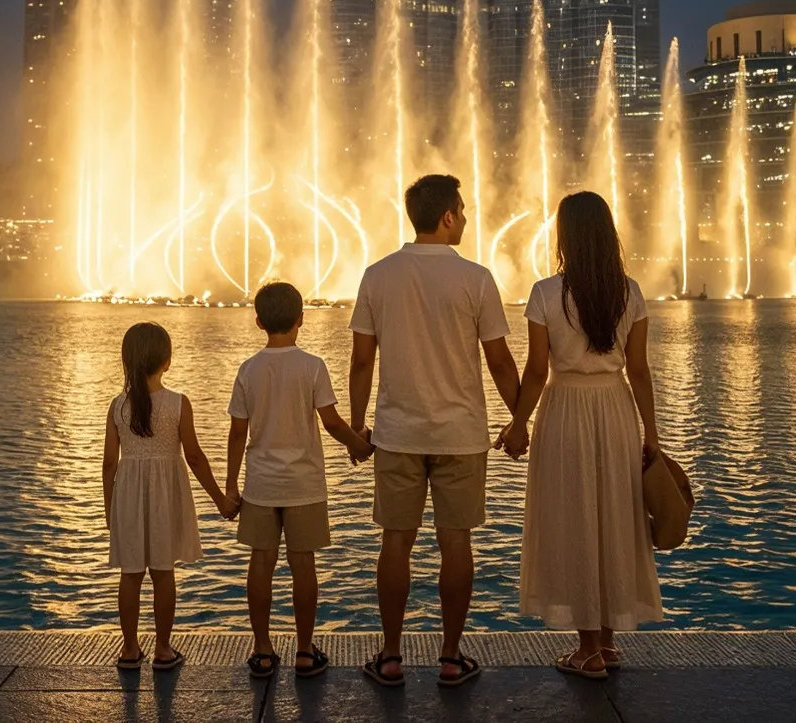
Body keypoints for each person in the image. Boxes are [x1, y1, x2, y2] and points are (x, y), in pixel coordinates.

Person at [348, 174, 519, 689]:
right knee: (456, 543)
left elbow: (361, 361)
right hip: (460, 435)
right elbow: (499, 360)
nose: (465, 218)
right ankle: (450, 657)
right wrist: (520, 417)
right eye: (462, 211)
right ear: (447, 217)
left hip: (397, 432)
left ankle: (392, 657)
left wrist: (358, 427)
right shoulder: (477, 279)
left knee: (394, 543)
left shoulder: (377, 275)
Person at [503, 190, 662, 678]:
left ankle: (587, 649)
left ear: (565, 237)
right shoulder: (629, 292)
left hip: (566, 408)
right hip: (615, 409)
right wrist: (651, 434)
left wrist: (518, 422)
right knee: (613, 514)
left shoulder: (546, 293)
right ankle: (608, 642)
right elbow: (639, 370)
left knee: (576, 518)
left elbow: (534, 371)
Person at [226, 282, 374, 680]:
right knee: (302, 565)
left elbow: (238, 433)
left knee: (261, 563)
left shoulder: (248, 369)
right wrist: (360, 447)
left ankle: (262, 650)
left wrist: (229, 485)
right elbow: (331, 423)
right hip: (304, 483)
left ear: (258, 321)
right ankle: (305, 650)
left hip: (260, 484)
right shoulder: (313, 366)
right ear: (301, 319)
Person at [103, 322, 236, 672]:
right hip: (165, 497)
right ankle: (163, 649)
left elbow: (107, 464)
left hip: (128, 496)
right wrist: (220, 499)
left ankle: (130, 650)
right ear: (167, 361)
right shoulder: (178, 404)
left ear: (127, 360)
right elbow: (194, 456)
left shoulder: (118, 407)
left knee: (130, 575)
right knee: (163, 573)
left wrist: (109, 511)